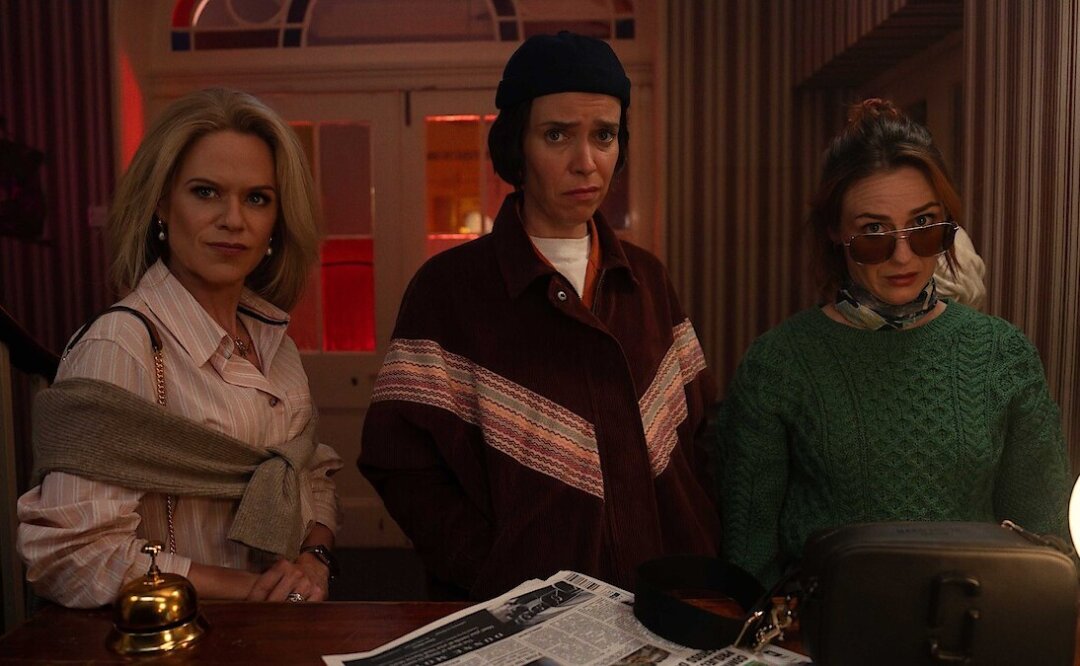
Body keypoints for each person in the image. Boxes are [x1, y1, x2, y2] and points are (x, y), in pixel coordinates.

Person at [360, 32, 720, 599]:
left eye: (604, 135)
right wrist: (491, 571)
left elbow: (701, 436)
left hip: (662, 602)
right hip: (517, 614)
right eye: (557, 135)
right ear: (516, 147)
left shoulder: (646, 279)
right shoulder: (449, 290)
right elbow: (400, 463)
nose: (586, 163)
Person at [716, 98, 1070, 587]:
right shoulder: (779, 364)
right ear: (835, 233)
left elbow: (1045, 541)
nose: (903, 256)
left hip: (973, 620)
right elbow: (748, 561)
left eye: (923, 226)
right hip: (830, 623)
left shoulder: (1002, 355)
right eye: (874, 232)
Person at [17, 88, 343, 608]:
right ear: (162, 203)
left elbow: (309, 474)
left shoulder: (275, 345)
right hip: (180, 637)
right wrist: (250, 591)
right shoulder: (119, 346)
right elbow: (71, 555)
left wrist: (313, 559)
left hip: (277, 633)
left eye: (257, 198)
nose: (233, 219)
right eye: (205, 192)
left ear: (277, 222)